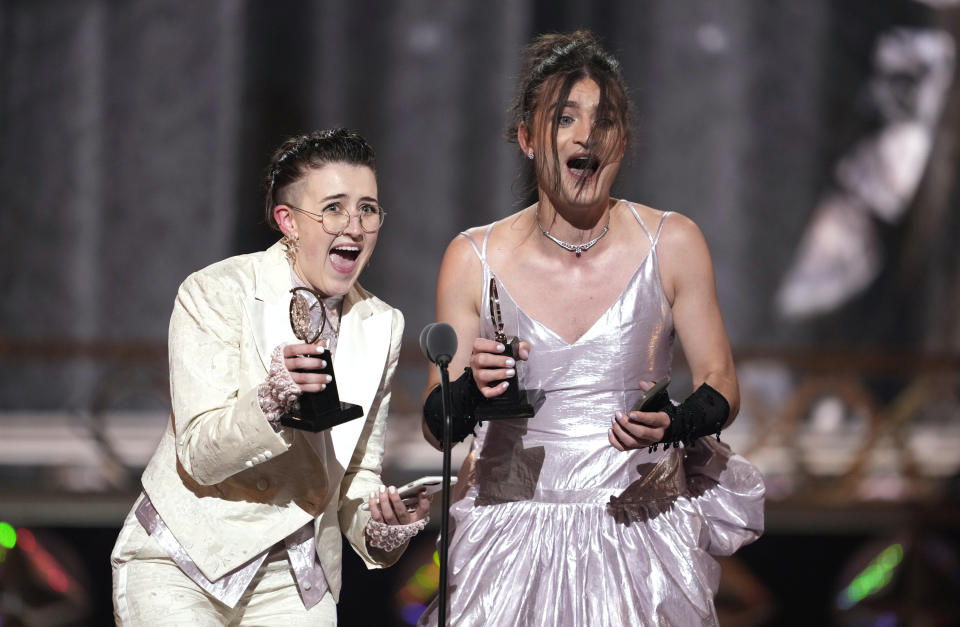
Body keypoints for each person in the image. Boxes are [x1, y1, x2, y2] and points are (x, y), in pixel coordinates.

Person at [418, 31, 765, 626]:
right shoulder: (473, 256)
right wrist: (474, 390)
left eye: (603, 121)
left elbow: (721, 382)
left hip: (640, 530)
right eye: (565, 119)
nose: (586, 136)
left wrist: (678, 422)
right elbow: (436, 424)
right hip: (511, 538)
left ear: (621, 142)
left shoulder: (672, 243)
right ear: (528, 138)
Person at [111, 128, 430, 626]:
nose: (354, 225)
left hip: (295, 573)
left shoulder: (381, 324)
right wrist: (270, 402)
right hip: (185, 554)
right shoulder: (216, 292)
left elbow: (353, 473)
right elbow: (198, 452)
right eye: (333, 208)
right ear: (289, 221)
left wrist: (383, 525)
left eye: (368, 208)